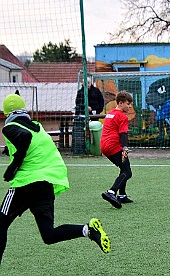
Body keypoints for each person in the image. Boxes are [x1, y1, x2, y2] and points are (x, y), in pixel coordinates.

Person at [0, 93, 110, 264]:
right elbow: (31, 143)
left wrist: (12, 168)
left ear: (7, 114)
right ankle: (88, 230)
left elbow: (24, 138)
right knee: (48, 235)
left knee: (0, 225)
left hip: (25, 184)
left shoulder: (9, 127)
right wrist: (10, 150)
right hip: (45, 184)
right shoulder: (37, 126)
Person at [100, 91, 134, 209]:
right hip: (114, 146)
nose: (130, 106)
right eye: (128, 104)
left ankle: (122, 195)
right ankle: (111, 192)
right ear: (120, 103)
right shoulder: (122, 116)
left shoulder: (110, 113)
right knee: (127, 172)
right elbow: (123, 134)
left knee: (123, 168)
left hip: (104, 146)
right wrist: (125, 149)